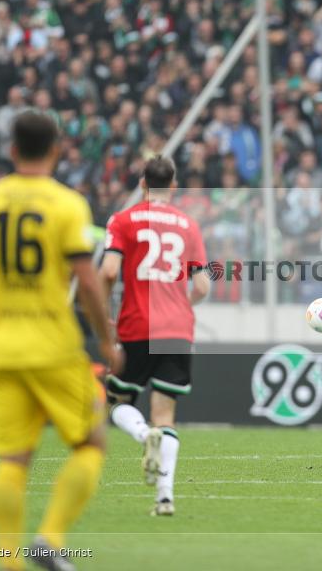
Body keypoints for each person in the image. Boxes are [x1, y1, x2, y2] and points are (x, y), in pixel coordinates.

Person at [0, 112, 121, 571]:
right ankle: (49, 540)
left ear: (11, 150)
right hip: (52, 345)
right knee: (91, 443)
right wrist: (106, 340)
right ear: (56, 150)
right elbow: (88, 283)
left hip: (1, 346)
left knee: (13, 457)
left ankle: (8, 563)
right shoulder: (66, 204)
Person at [99, 156, 211, 517]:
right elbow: (203, 285)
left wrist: (104, 315)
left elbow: (108, 271)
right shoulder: (188, 226)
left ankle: (142, 434)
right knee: (167, 415)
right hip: (178, 329)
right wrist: (182, 304)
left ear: (143, 184)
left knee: (117, 402)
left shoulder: (123, 220)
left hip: (136, 325)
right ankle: (165, 498)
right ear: (173, 185)